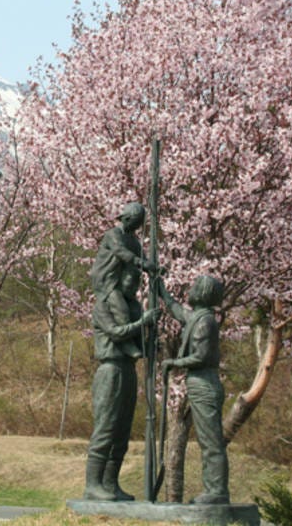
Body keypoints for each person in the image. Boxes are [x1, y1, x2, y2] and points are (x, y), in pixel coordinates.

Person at [84, 268, 161, 501]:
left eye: (138, 282)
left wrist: (151, 335)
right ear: (118, 279)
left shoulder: (133, 309)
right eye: (130, 279)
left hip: (128, 369)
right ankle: (93, 484)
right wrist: (142, 322)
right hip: (110, 369)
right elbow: (116, 333)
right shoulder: (104, 306)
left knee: (122, 432)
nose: (134, 286)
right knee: (106, 428)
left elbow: (139, 345)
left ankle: (110, 482)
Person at [160, 275, 230, 505]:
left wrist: (174, 363)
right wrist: (161, 290)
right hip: (199, 383)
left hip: (205, 383)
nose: (190, 290)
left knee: (211, 441)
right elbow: (177, 311)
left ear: (203, 293)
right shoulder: (198, 317)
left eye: (195, 287)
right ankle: (214, 489)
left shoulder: (206, 322)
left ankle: (216, 490)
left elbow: (201, 356)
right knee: (207, 440)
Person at [89, 202, 157, 358]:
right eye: (136, 222)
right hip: (106, 280)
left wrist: (152, 267)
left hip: (121, 281)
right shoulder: (113, 234)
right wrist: (141, 263)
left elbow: (142, 256)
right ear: (126, 219)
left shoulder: (133, 240)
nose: (138, 226)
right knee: (120, 307)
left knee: (135, 308)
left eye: (140, 223)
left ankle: (139, 344)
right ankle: (126, 343)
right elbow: (120, 251)